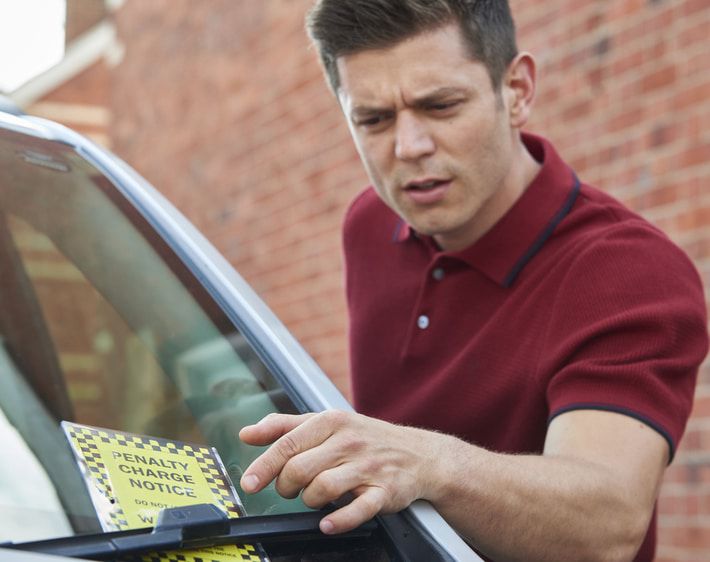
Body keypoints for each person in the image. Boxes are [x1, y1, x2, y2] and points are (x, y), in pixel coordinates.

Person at [238, 1, 709, 560]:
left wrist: (429, 464)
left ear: (517, 91)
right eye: (373, 119)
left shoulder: (627, 271)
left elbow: (607, 523)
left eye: (440, 105)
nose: (408, 147)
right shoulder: (369, 223)